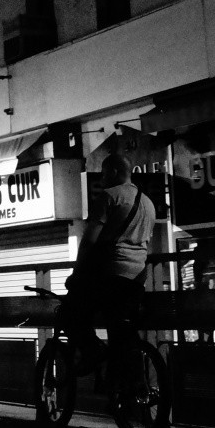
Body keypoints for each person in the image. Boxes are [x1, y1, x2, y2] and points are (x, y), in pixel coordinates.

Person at [61, 154, 156, 369]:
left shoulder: (109, 196)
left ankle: (93, 350)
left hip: (110, 277)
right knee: (120, 331)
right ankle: (124, 387)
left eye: (104, 174)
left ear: (114, 172)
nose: (102, 179)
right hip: (136, 281)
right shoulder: (149, 203)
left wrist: (77, 273)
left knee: (70, 312)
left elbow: (89, 241)